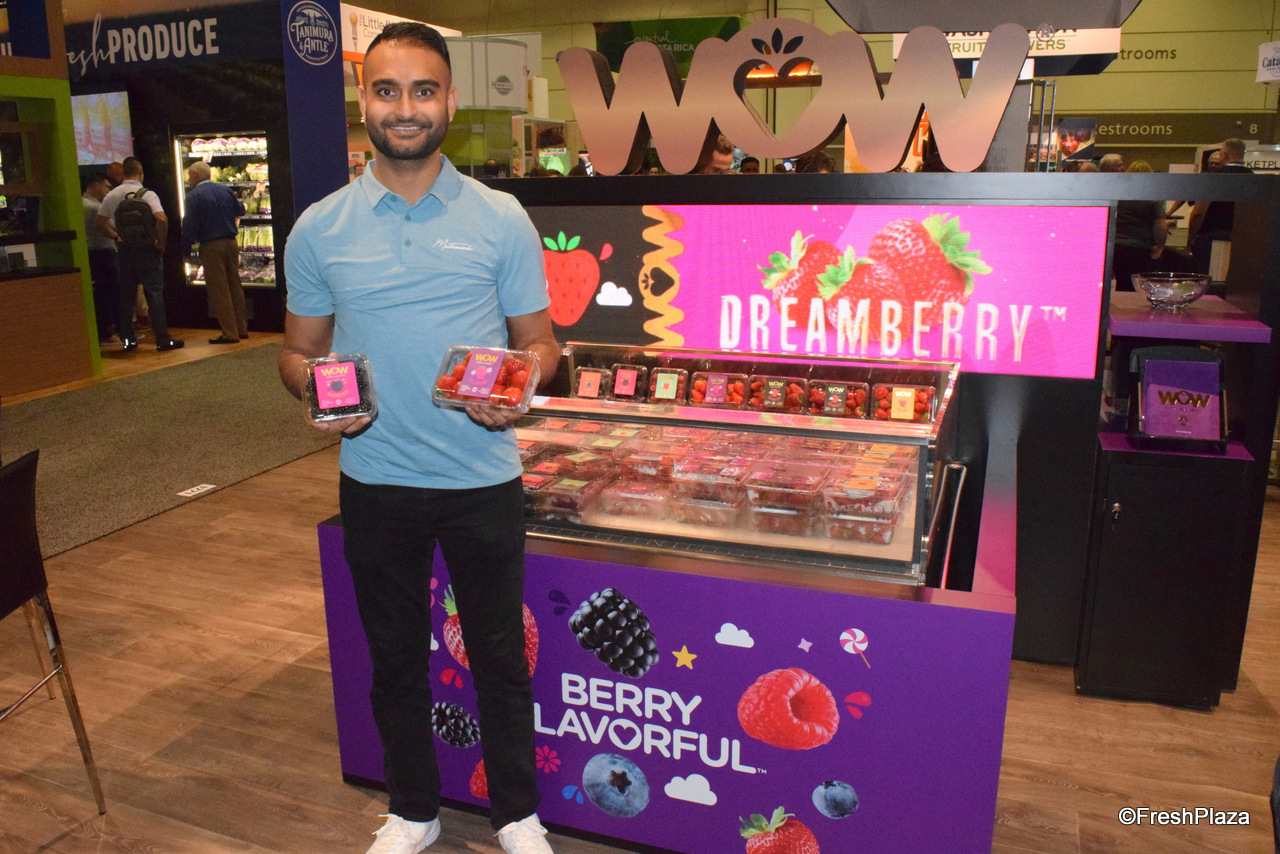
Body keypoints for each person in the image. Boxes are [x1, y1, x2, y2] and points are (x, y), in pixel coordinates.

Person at [277, 22, 560, 854]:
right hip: (376, 479)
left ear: (451, 102)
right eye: (388, 90)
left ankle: (517, 814)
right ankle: (412, 809)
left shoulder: (501, 218)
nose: (406, 108)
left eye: (424, 90)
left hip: (482, 478)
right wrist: (316, 393)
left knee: (499, 658)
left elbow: (542, 341)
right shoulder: (319, 227)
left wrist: (521, 383)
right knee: (395, 658)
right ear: (364, 101)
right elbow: (296, 352)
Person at [95, 156, 183, 351]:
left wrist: (116, 236)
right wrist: (161, 243)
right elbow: (161, 219)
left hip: (125, 250)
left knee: (126, 296)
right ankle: (162, 339)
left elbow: (99, 223)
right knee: (154, 294)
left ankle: (128, 340)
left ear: (123, 173)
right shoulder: (147, 194)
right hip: (148, 249)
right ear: (140, 173)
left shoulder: (113, 195)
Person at [181, 160, 249, 344]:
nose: (188, 179)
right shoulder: (224, 190)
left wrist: (185, 250)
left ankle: (229, 333)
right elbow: (240, 210)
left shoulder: (194, 196)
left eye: (189, 176)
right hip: (231, 242)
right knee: (235, 285)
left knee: (219, 289)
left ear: (196, 175)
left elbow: (189, 226)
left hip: (211, 245)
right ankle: (242, 328)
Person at [1187, 138, 1252, 276]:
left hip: (1211, 236)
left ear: (1224, 154)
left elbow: (1199, 212)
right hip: (1241, 240)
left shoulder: (1214, 177)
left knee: (1204, 278)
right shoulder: (1254, 179)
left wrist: (1191, 237)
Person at [1110, 160, 1168, 291]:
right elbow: (1160, 225)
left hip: (1117, 245)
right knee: (1137, 285)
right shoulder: (1151, 197)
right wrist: (1160, 247)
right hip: (1140, 247)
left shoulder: (1119, 195)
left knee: (1122, 282)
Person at [82, 172, 118, 344]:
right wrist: (118, 237)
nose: (108, 190)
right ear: (96, 185)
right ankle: (108, 332)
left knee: (100, 292)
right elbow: (111, 226)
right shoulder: (95, 207)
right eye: (106, 186)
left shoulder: (81, 203)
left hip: (91, 253)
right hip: (103, 252)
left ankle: (104, 331)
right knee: (108, 292)